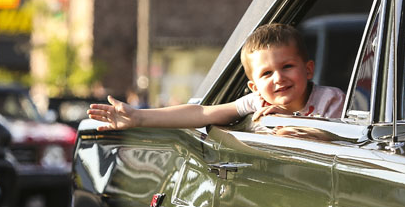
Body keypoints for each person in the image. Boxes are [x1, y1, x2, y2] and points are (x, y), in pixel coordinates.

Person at [88, 23, 344, 133]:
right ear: (254, 87)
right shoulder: (258, 102)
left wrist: (291, 124)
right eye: (266, 73)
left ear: (308, 70)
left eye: (287, 66)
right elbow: (202, 113)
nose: (278, 78)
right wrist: (139, 117)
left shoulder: (332, 101)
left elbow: (341, 143)